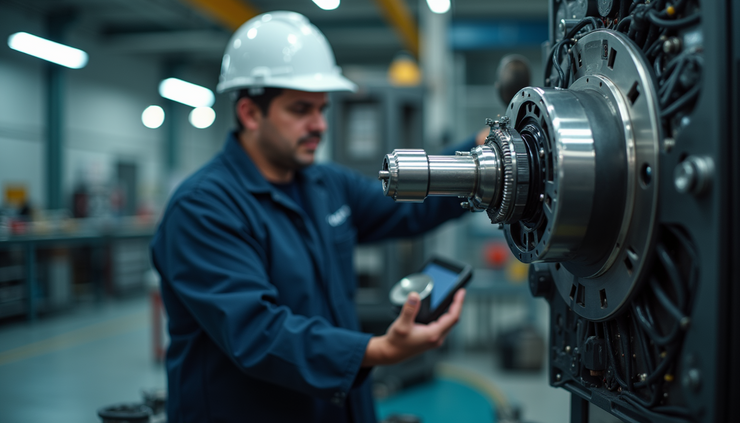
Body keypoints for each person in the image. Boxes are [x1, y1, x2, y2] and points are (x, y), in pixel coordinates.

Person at [150, 11, 473, 423]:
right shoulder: (203, 208)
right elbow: (257, 333)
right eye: (301, 109)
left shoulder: (324, 185)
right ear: (250, 114)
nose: (319, 125)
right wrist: (377, 351)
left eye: (322, 108)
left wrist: (476, 164)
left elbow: (407, 209)